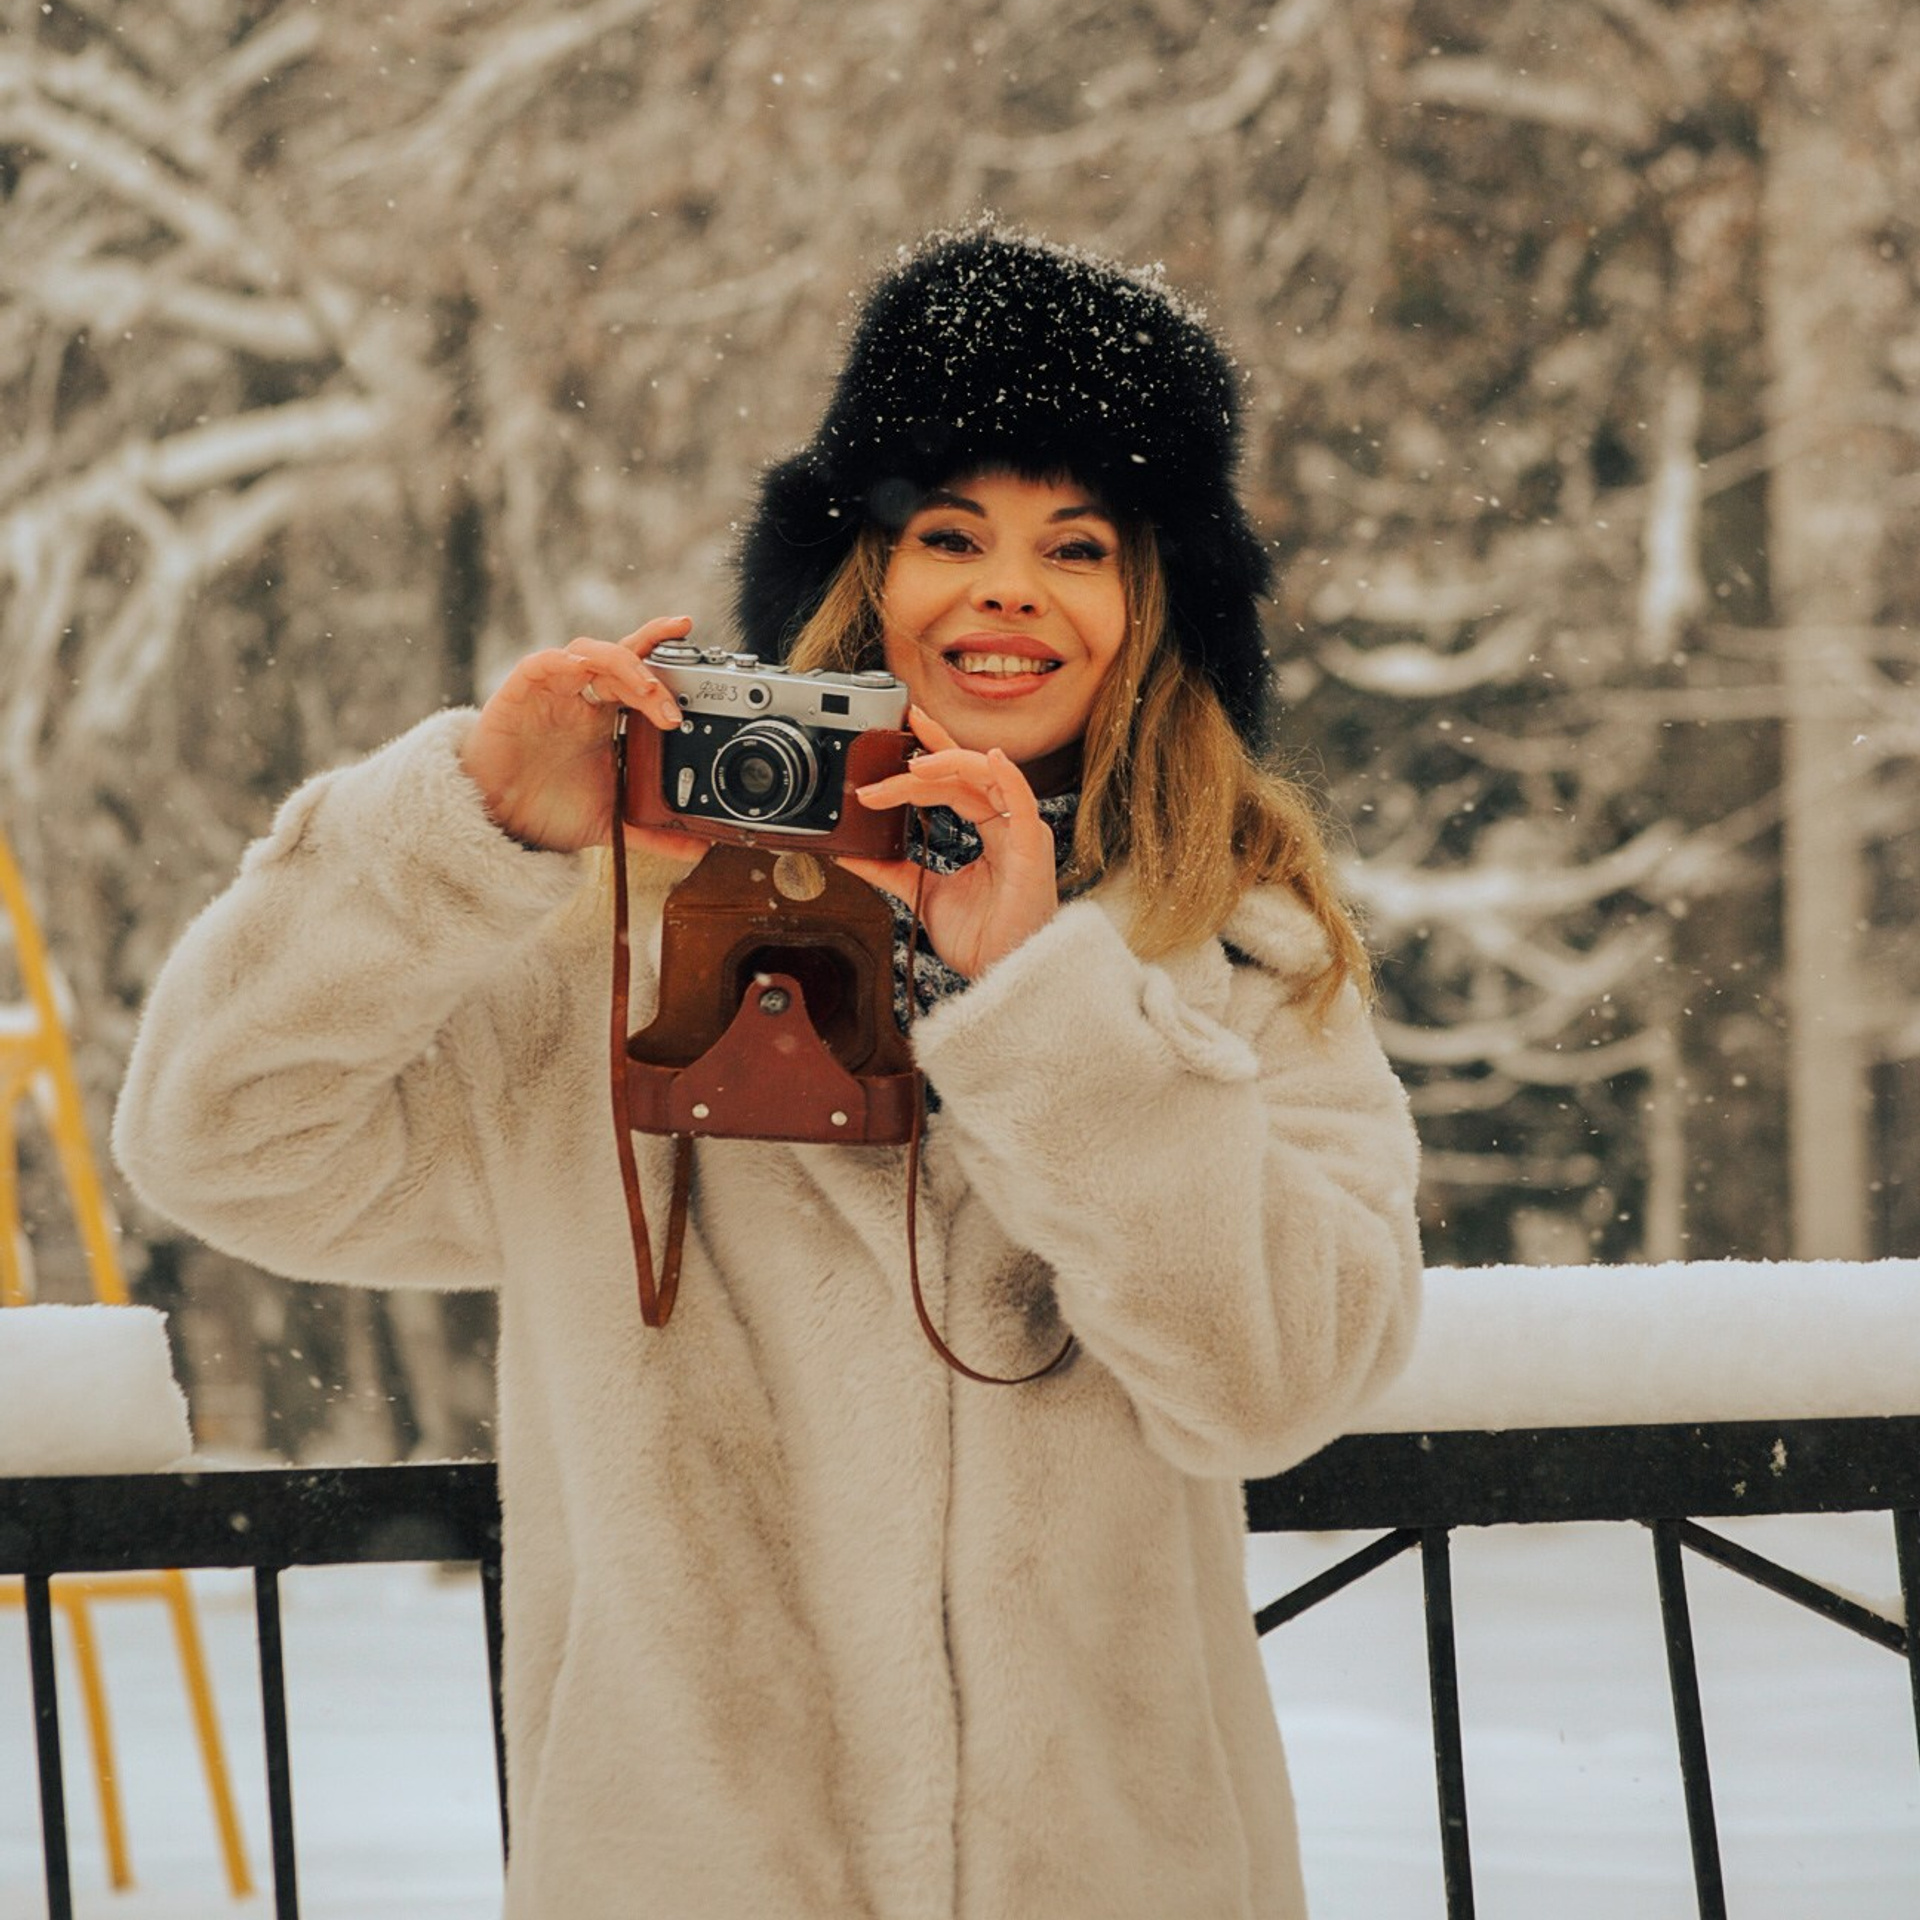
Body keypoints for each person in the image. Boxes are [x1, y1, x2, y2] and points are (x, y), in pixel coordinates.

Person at [115, 226, 1422, 1920]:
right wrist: (469, 832)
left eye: (1076, 545)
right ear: (865, 577)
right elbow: (223, 1139)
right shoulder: (623, 928)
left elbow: (1282, 1380)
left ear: (1151, 601)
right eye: (949, 532)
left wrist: (1037, 996)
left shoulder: (1240, 951)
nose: (1007, 590)